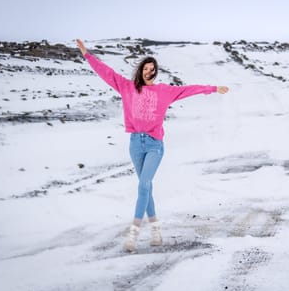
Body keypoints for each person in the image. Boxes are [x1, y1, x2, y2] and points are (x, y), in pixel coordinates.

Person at [76, 39, 229, 252]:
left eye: (153, 69)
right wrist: (87, 55)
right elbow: (106, 73)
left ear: (155, 73)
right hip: (135, 144)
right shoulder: (127, 87)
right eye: (146, 68)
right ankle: (156, 230)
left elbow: (188, 90)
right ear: (140, 71)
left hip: (154, 145)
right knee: (145, 187)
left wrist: (212, 88)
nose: (149, 72)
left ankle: (134, 233)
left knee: (143, 185)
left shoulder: (163, 91)